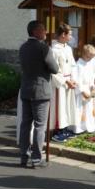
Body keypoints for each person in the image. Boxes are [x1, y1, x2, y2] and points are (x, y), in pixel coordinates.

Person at [18, 20, 59, 168]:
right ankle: (36, 158)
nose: (46, 32)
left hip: (26, 89)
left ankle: (24, 156)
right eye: (43, 29)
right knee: (40, 126)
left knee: (25, 124)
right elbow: (55, 68)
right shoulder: (43, 48)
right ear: (35, 31)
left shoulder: (23, 47)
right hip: (41, 91)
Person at [50, 23, 78, 142]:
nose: (71, 37)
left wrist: (73, 79)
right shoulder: (53, 49)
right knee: (60, 107)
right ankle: (58, 131)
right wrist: (66, 81)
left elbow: (72, 65)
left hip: (69, 81)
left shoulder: (68, 48)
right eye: (70, 34)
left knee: (67, 107)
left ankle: (66, 128)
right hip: (60, 83)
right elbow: (54, 70)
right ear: (63, 34)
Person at [73, 44, 95, 134]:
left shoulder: (89, 64)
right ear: (84, 54)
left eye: (92, 57)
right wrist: (82, 91)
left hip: (88, 88)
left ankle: (88, 125)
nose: (91, 59)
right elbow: (76, 79)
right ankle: (78, 128)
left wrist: (92, 86)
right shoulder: (78, 65)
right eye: (89, 56)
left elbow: (91, 76)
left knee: (89, 108)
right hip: (82, 91)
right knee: (80, 109)